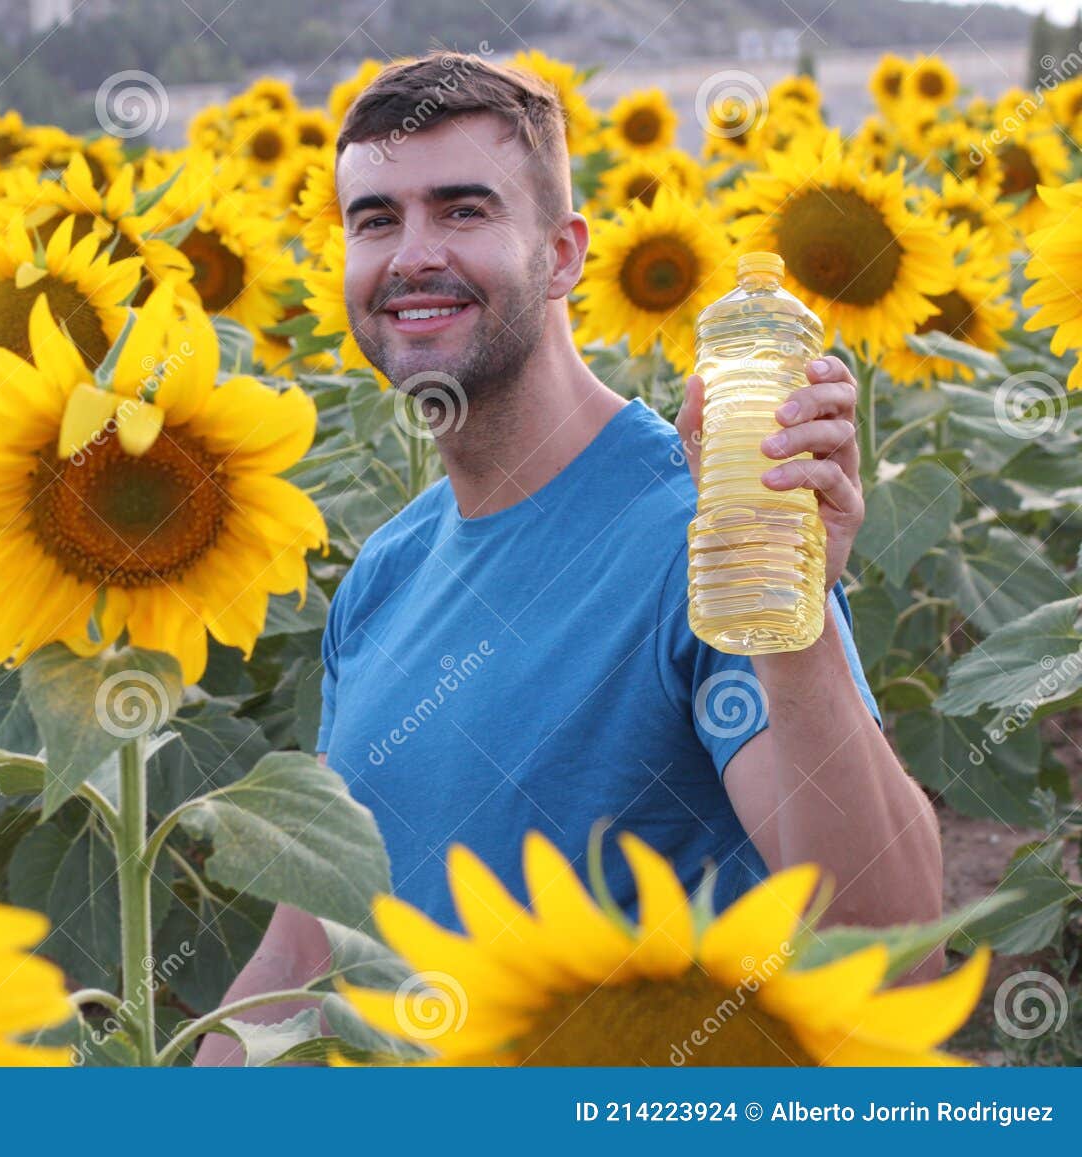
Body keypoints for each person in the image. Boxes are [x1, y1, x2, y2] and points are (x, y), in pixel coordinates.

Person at [195, 52, 943, 1065]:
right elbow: (306, 945)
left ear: (560, 255)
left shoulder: (704, 537)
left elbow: (892, 950)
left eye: (462, 210)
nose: (411, 254)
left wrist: (792, 615)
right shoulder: (383, 574)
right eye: (375, 220)